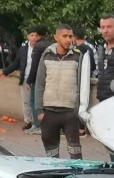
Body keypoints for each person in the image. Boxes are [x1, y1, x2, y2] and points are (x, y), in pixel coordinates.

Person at [35, 24, 90, 159]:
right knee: (51, 152)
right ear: (56, 37)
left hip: (69, 112)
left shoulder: (78, 56)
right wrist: (39, 110)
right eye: (64, 36)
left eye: (70, 36)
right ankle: (54, 176)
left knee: (75, 152)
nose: (68, 39)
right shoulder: (46, 55)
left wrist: (78, 111)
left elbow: (82, 85)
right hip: (49, 111)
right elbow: (40, 83)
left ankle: (77, 176)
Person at [0, 25, 39, 130]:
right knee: (26, 102)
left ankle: (37, 123)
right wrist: (6, 71)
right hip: (25, 78)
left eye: (36, 35)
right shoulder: (23, 49)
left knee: (36, 102)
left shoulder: (41, 48)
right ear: (28, 37)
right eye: (32, 35)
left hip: (36, 80)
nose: (34, 37)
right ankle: (28, 122)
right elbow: (17, 62)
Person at [25, 24, 51, 135]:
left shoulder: (38, 46)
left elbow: (35, 65)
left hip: (38, 78)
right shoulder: (51, 45)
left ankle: (37, 126)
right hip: (49, 77)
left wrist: (29, 80)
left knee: (34, 101)